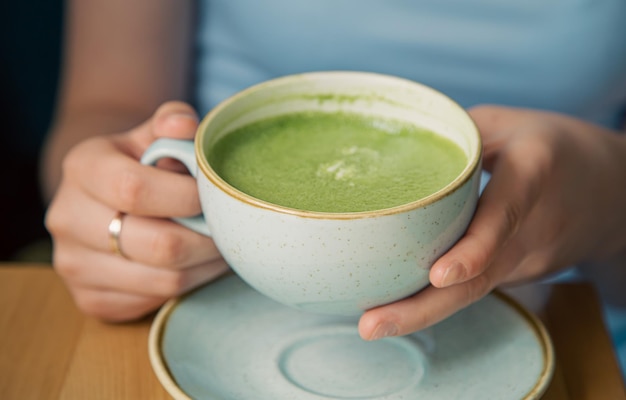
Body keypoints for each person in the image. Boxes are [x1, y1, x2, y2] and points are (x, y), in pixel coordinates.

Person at [44, 0, 626, 369]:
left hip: (577, 312)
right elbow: (105, 105)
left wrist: (611, 199)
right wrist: (115, 205)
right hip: (205, 290)